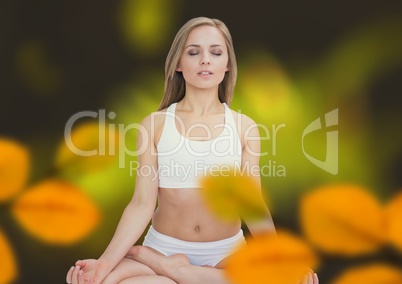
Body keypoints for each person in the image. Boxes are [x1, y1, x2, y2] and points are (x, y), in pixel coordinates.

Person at [66, 17, 319, 284]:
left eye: (216, 52)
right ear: (178, 63)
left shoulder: (245, 127)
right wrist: (104, 265)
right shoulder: (154, 125)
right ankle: (172, 270)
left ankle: (179, 272)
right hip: (163, 247)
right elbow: (142, 204)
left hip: (227, 255)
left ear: (227, 65)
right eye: (194, 52)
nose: (205, 60)